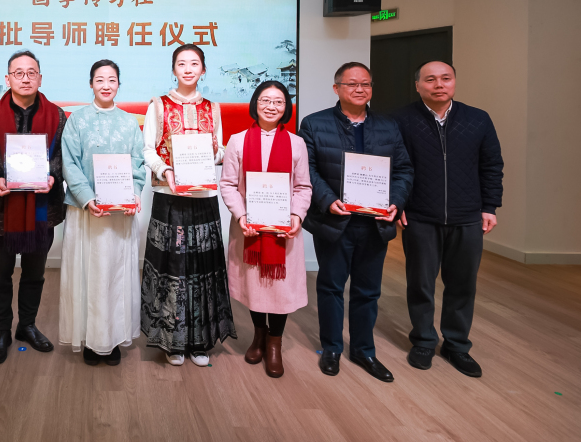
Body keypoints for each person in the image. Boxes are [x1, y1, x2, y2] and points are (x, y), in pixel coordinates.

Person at [299, 62, 413, 382]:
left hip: (375, 223)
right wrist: (327, 200)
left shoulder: (388, 126)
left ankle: (364, 350)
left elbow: (403, 170)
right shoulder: (315, 123)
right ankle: (332, 348)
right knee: (331, 287)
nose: (360, 89)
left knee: (368, 291)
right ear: (337, 88)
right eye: (352, 84)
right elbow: (307, 168)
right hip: (335, 221)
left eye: (366, 84)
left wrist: (396, 202)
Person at [393, 61, 503, 378]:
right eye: (430, 79)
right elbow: (392, 165)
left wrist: (490, 206)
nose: (439, 84)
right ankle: (423, 341)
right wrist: (397, 202)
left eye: (446, 78)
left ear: (454, 82)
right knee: (421, 283)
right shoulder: (400, 120)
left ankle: (456, 345)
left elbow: (492, 165)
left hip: (468, 216)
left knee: (462, 284)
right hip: (419, 216)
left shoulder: (478, 119)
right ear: (418, 85)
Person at [140, 44, 236, 367]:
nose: (188, 69)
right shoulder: (158, 105)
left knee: (202, 268)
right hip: (171, 197)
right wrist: (166, 170)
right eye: (181, 63)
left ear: (203, 70)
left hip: (203, 198)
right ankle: (174, 341)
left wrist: (213, 155)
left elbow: (219, 149)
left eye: (194, 63)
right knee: (173, 268)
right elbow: (148, 150)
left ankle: (199, 341)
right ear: (173, 69)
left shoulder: (213, 108)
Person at [0, 50, 67, 364]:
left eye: (31, 72)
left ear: (40, 77)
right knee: (0, 276)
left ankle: (27, 326)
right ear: (8, 78)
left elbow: (64, 157)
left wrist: (52, 176)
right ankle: (2, 331)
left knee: (34, 274)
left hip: (41, 209)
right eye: (18, 73)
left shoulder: (57, 116)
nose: (25, 78)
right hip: (0, 211)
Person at [220, 81, 312, 378]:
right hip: (249, 229)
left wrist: (297, 216)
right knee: (255, 286)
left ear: (286, 107)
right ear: (255, 104)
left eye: (278, 101)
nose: (272, 106)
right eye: (265, 100)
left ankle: (274, 342)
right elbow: (228, 185)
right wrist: (241, 216)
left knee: (280, 289)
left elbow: (303, 187)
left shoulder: (296, 144)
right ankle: (259, 335)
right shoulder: (237, 141)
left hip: (284, 232)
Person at [59, 60, 146, 366]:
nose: (106, 85)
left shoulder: (129, 122)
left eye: (111, 80)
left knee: (116, 274)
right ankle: (90, 337)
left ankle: (113, 336)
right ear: (91, 84)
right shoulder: (77, 120)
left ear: (119, 84)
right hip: (87, 211)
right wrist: (86, 198)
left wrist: (134, 194)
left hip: (120, 213)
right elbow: (69, 163)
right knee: (88, 274)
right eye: (100, 80)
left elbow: (138, 164)